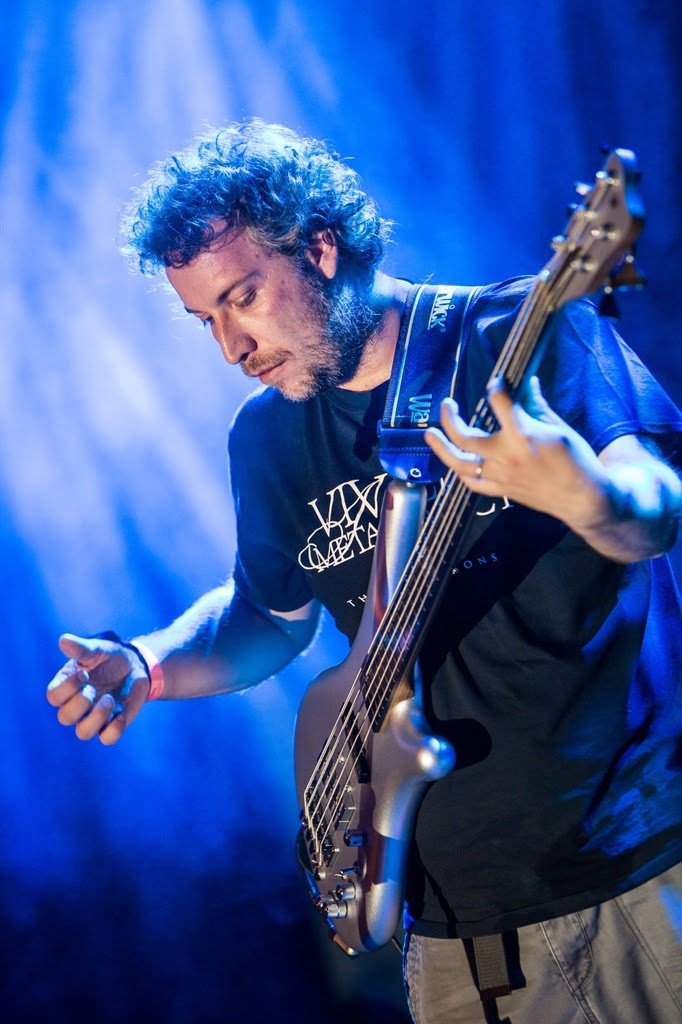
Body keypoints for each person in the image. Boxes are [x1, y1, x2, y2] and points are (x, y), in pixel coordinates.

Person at [46, 120, 682, 1023]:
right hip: (454, 935)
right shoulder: (266, 437)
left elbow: (656, 507)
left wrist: (585, 494)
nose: (231, 346)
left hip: (640, 871)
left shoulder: (516, 335)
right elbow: (268, 616)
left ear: (320, 246)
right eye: (205, 320)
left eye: (243, 298)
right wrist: (150, 663)